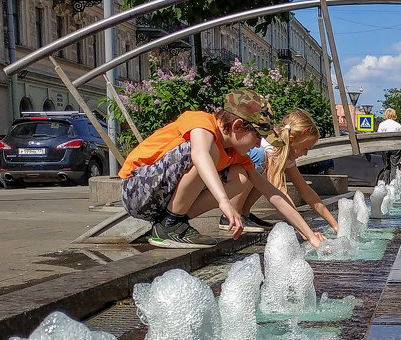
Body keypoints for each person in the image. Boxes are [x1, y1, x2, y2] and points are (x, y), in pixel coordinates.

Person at [118, 89, 325, 250]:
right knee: (208, 152)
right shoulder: (200, 121)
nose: (258, 144)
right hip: (137, 189)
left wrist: (309, 235)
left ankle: (173, 222)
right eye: (257, 136)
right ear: (237, 126)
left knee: (241, 177)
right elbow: (200, 155)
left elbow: (273, 194)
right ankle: (170, 225)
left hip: (159, 198)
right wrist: (224, 202)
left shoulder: (235, 153)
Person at [229, 107, 339, 235]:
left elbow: (306, 191)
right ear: (291, 140)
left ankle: (244, 212)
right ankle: (233, 214)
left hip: (237, 177)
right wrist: (304, 230)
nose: (306, 153)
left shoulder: (286, 154)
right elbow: (279, 190)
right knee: (260, 164)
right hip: (229, 177)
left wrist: (334, 225)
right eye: (305, 148)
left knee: (263, 177)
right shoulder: (270, 147)